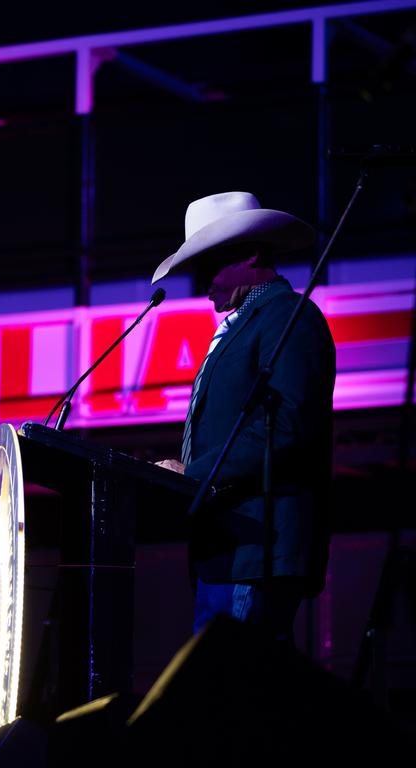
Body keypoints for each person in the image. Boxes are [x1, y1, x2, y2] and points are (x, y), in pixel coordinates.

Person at [152, 191, 336, 643]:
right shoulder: (250, 321)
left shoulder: (287, 316)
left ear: (251, 253)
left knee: (233, 695)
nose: (201, 281)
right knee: (231, 695)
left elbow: (289, 423)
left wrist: (191, 474)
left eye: (208, 264)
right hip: (229, 549)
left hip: (257, 550)